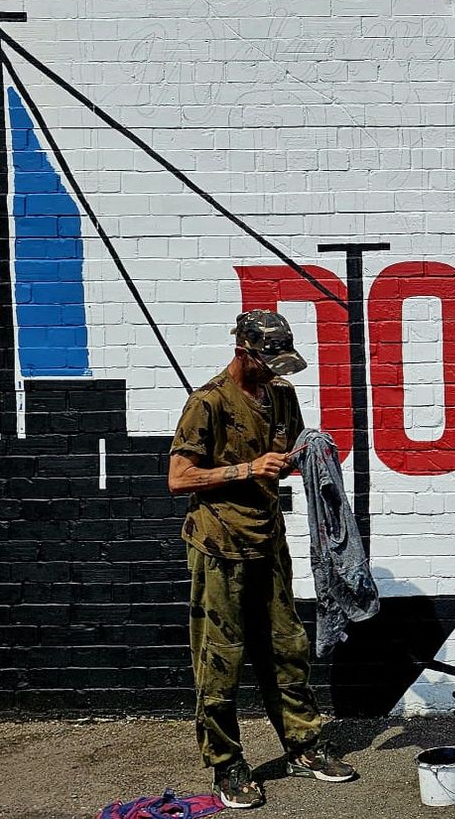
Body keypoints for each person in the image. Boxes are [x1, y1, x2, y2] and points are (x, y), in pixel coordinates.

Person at [169, 309, 356, 809]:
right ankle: (227, 765)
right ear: (243, 351)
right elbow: (179, 478)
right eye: (267, 361)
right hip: (217, 545)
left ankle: (304, 746)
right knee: (220, 660)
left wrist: (308, 453)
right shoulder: (207, 403)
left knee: (287, 648)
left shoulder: (281, 394)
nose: (274, 372)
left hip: (268, 541)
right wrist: (247, 469)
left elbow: (286, 456)